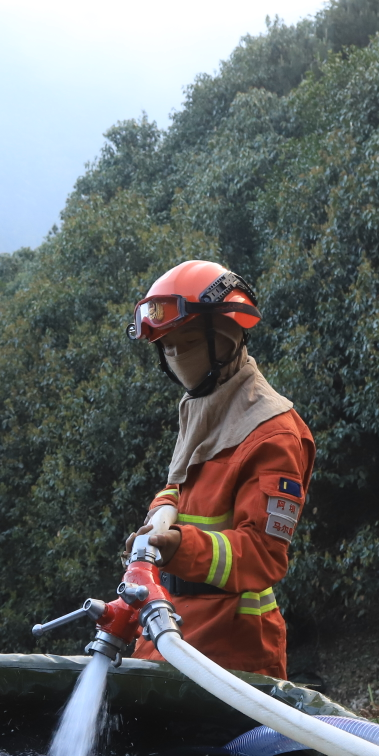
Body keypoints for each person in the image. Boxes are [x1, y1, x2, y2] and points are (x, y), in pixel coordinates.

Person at [126, 260, 314, 679]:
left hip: (232, 655)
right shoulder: (203, 409)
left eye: (189, 341)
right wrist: (159, 517)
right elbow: (180, 486)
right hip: (169, 632)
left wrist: (178, 547)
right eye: (167, 346)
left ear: (227, 337)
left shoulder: (273, 433)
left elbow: (262, 555)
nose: (177, 356)